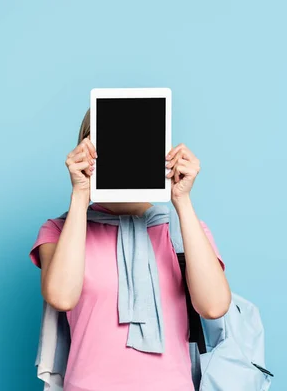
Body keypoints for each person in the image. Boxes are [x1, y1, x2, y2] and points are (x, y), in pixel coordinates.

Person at [29, 109, 231, 391]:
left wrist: (182, 201)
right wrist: (79, 194)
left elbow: (214, 307)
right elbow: (62, 297)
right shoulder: (60, 230)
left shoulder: (182, 230)